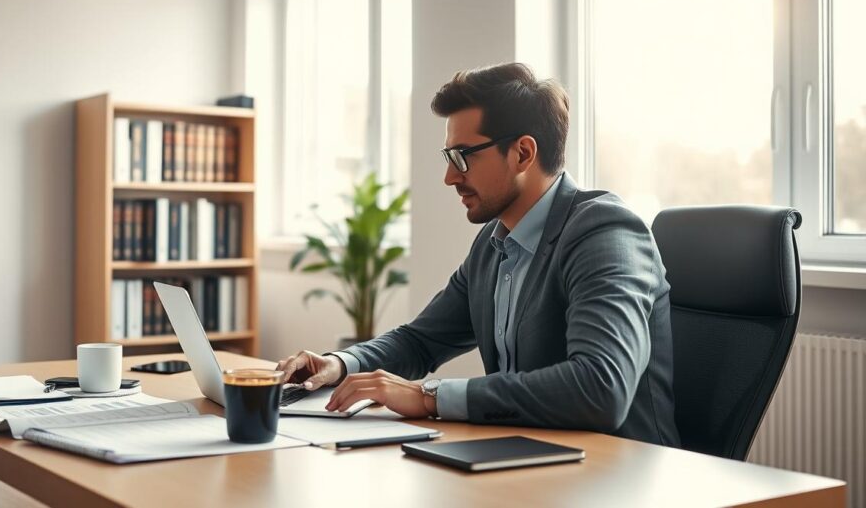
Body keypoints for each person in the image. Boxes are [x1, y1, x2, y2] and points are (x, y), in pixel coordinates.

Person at [277, 62, 679, 446]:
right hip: (530, 457)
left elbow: (600, 388)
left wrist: (428, 397)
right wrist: (341, 364)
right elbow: (421, 341)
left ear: (523, 153)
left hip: (619, 475)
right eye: (448, 158)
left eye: (462, 156)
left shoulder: (605, 232)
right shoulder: (495, 242)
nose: (450, 176)